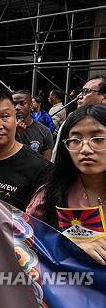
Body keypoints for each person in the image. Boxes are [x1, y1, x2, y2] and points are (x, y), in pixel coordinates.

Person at [26, 104, 106, 265]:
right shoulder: (50, 194)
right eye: (75, 140)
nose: (85, 149)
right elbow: (25, 241)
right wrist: (68, 246)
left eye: (98, 139)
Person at [13, 90, 54, 160]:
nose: (17, 107)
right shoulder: (4, 129)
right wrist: (15, 135)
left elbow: (47, 164)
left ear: (31, 105)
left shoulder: (44, 131)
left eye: (22, 103)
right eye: (14, 104)